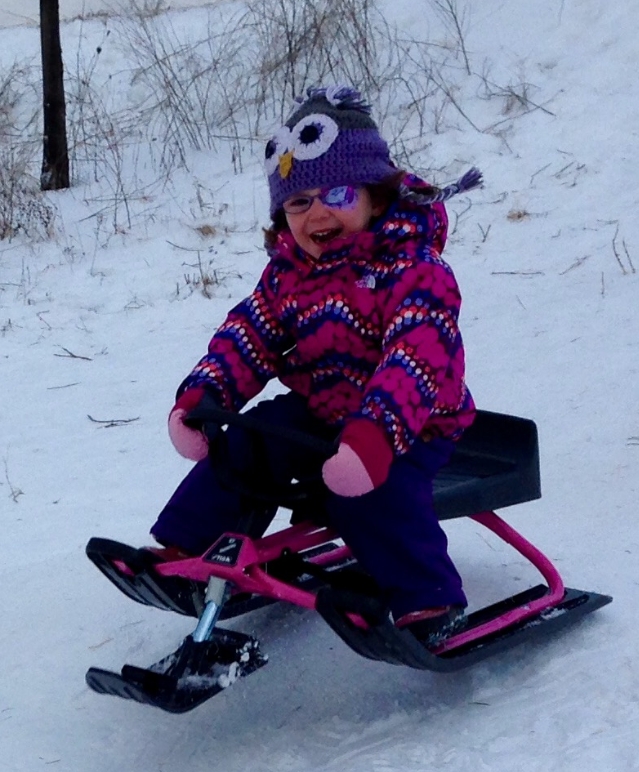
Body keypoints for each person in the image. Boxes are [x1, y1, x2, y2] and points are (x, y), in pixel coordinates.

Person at [150, 85, 481, 646]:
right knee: (248, 445)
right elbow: (248, 335)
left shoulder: (414, 269)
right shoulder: (288, 273)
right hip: (323, 409)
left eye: (336, 192)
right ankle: (190, 544)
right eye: (299, 203)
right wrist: (203, 399)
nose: (317, 212)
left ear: (375, 196)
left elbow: (413, 361)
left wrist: (373, 439)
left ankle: (427, 599)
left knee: (374, 493)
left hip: (409, 423)